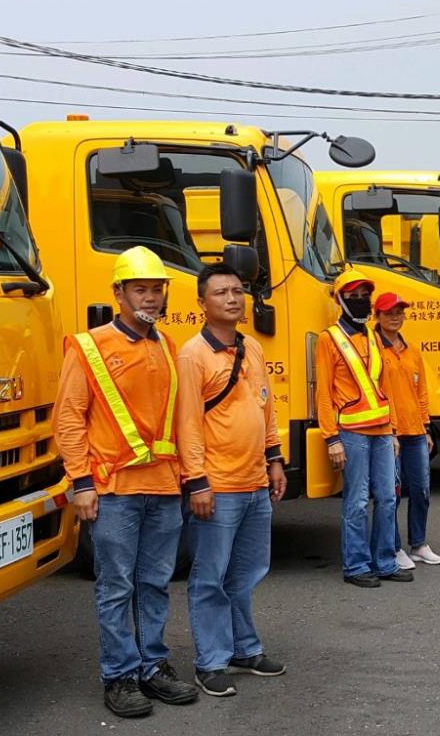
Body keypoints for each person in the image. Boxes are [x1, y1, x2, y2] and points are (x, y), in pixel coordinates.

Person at [53, 246, 198, 718]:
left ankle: (152, 667)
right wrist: (81, 481)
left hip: (161, 487)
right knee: (116, 586)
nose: (151, 298)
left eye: (157, 289)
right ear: (118, 292)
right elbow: (69, 419)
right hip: (112, 490)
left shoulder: (167, 345)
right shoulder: (89, 346)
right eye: (141, 289)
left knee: (155, 583)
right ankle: (120, 676)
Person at [175, 263, 288, 698]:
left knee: (246, 573)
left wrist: (274, 459)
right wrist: (197, 482)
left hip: (255, 482)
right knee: (210, 577)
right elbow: (186, 424)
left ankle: (245, 649)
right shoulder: (193, 355)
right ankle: (211, 661)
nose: (233, 299)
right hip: (217, 487)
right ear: (202, 304)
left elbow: (266, 409)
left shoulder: (252, 348)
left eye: (238, 291)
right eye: (221, 292)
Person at [316, 269, 411, 587]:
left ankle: (384, 561)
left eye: (364, 296)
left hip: (382, 431)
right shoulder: (329, 339)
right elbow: (324, 394)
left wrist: (393, 430)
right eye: (353, 297)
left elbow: (385, 387)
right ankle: (356, 566)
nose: (360, 302)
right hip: (352, 434)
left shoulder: (373, 335)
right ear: (340, 299)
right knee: (356, 501)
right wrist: (331, 438)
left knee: (387, 498)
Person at [372, 292, 440, 571]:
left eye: (399, 312)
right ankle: (394, 547)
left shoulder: (412, 350)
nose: (395, 317)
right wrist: (386, 431)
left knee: (421, 489)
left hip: (415, 431)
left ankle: (419, 544)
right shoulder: (372, 349)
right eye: (389, 312)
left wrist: (426, 428)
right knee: (391, 492)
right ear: (376, 316)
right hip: (387, 432)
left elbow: (421, 393)